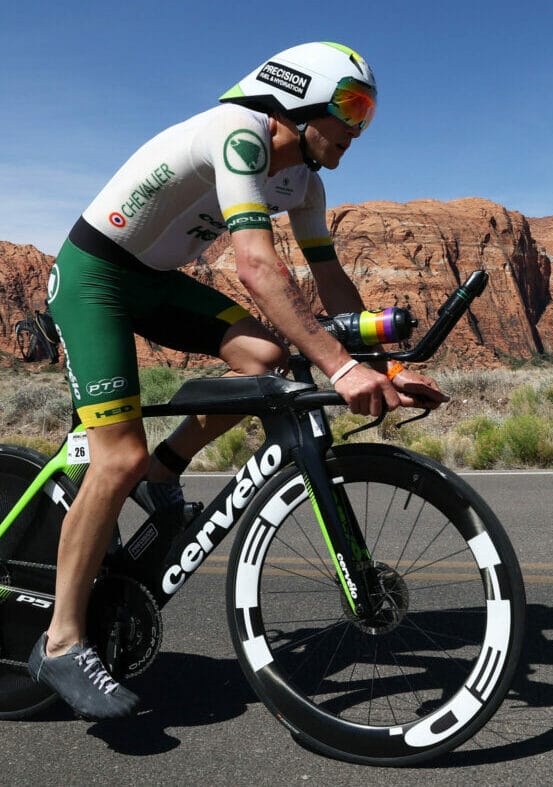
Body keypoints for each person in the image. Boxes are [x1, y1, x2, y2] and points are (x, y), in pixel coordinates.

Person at [28, 41, 448, 720]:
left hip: (156, 283)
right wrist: (341, 368)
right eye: (351, 106)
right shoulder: (239, 135)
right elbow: (255, 266)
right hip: (96, 276)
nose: (358, 127)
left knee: (267, 358)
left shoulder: (304, 183)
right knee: (117, 456)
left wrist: (383, 366)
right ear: (298, 95)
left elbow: (331, 285)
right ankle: (61, 640)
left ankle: (166, 472)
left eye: (368, 113)